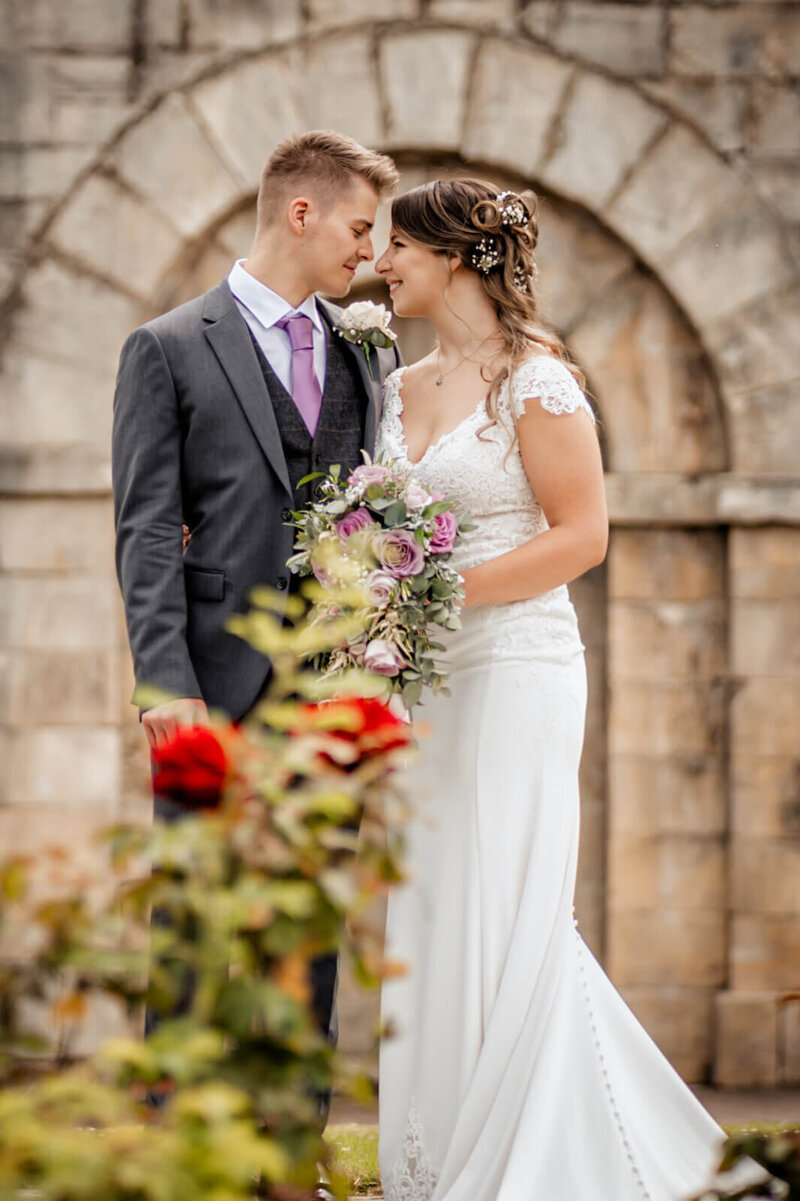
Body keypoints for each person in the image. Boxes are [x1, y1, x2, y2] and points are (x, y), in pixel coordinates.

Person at [372, 179, 726, 1201]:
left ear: (452, 258)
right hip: (428, 683)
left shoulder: (538, 380)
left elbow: (581, 535)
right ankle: (435, 1148)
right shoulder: (397, 386)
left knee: (507, 897)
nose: (381, 265)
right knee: (434, 897)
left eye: (397, 247)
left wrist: (428, 600)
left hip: (517, 664)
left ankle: (533, 1154)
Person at [112, 130, 401, 1133]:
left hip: (328, 687)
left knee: (307, 926)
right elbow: (145, 526)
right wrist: (164, 681)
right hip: (210, 679)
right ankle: (169, 1147)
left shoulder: (367, 354)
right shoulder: (168, 345)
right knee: (193, 922)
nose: (368, 252)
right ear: (301, 212)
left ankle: (288, 1152)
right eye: (359, 227)